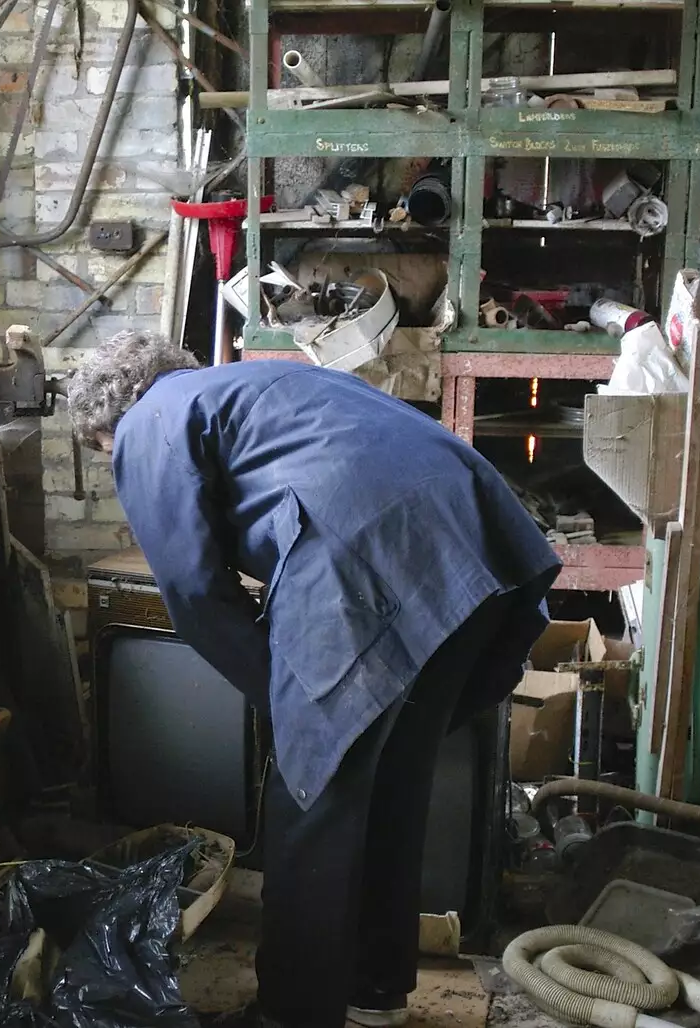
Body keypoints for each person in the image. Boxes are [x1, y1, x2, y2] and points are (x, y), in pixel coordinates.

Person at [66, 331, 561, 1028]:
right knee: (392, 785)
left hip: (364, 556)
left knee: (314, 797)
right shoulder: (258, 384)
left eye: (101, 452)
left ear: (104, 425)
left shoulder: (150, 419)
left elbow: (194, 591)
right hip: (475, 541)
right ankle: (374, 994)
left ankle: (292, 1014)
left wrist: (284, 698)